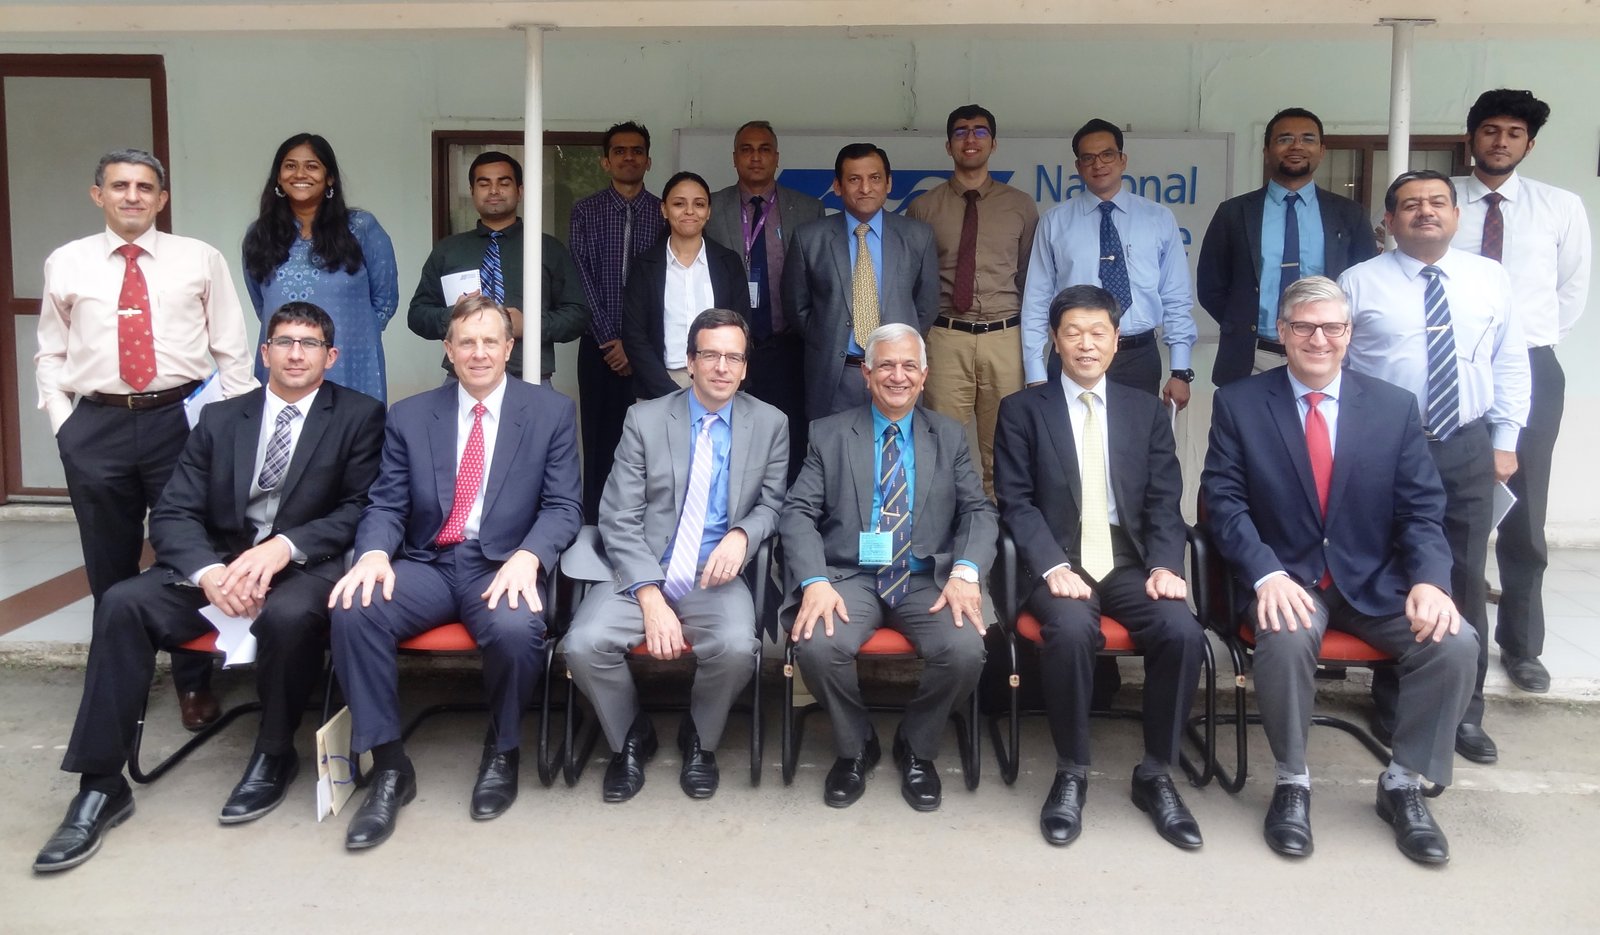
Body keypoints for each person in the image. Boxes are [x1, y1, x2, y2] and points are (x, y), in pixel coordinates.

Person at [32, 302, 384, 873]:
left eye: (310, 344)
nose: (296, 354)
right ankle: (100, 785)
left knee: (290, 616)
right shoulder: (220, 419)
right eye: (284, 342)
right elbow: (172, 512)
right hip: (220, 567)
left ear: (331, 356)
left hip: (303, 566)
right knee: (122, 603)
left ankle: (275, 752)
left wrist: (282, 547)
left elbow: (359, 507)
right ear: (263, 353)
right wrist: (208, 573)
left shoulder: (359, 416)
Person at [1201, 275, 1478, 865]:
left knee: (1455, 642)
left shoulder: (1393, 407)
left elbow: (1422, 509)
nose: (1318, 339)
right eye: (1304, 327)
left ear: (1350, 333)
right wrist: (1265, 574)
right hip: (1285, 578)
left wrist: (1431, 581)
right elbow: (1224, 503)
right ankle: (1292, 781)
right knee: (1286, 634)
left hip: (1373, 580)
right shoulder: (1240, 404)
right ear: (1282, 332)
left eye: (1332, 327)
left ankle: (1403, 783)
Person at [328, 295, 582, 850]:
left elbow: (564, 506)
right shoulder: (411, 415)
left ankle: (503, 748)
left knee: (517, 630)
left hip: (502, 565)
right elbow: (387, 504)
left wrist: (529, 556)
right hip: (429, 562)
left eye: (491, 341)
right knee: (355, 608)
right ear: (448, 349)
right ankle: (390, 765)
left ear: (510, 348)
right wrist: (373, 555)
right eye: (467, 342)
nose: (479, 352)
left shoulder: (550, 413)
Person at [36, 148, 257, 733]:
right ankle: (121, 686)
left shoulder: (199, 258)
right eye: (119, 186)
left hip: (180, 420)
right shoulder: (67, 262)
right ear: (98, 195)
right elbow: (50, 352)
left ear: (162, 198)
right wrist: (64, 425)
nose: (132, 196)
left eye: (144, 187)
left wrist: (235, 430)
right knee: (108, 561)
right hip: (97, 423)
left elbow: (232, 351)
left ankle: (193, 680)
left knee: (189, 550)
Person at [993, 284, 1209, 850]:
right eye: (1073, 333)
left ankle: (1156, 772)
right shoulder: (1022, 410)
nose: (1086, 345)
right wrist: (1049, 566)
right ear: (1055, 340)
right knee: (1069, 629)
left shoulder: (1146, 410)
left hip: (1128, 559)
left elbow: (1164, 500)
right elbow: (1015, 502)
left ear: (1116, 341)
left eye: (1098, 333)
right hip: (1058, 557)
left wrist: (1165, 565)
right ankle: (1072, 770)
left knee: (1182, 631)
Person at [1338, 170, 1530, 765]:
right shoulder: (1359, 282)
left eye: (1438, 202)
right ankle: (1395, 697)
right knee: (1392, 570)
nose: (1426, 211)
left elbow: (1510, 361)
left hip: (1466, 442)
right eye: (1411, 204)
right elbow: (1336, 366)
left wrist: (1505, 439)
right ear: (1389, 221)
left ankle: (1464, 710)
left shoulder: (1489, 278)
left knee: (1464, 573)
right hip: (1383, 448)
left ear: (1456, 214)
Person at [565, 309, 788, 801]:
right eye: (710, 355)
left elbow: (774, 504)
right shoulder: (645, 419)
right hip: (642, 567)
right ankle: (629, 736)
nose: (722, 367)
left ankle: (700, 738)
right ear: (690, 362)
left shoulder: (771, 423)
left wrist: (743, 535)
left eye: (733, 357)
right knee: (583, 645)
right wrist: (649, 596)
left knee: (737, 647)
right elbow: (618, 515)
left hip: (715, 574)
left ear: (745, 367)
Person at [779, 324, 995, 811]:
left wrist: (965, 572)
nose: (898, 376)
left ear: (924, 375)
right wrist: (814, 581)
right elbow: (797, 513)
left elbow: (978, 511)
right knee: (817, 646)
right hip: (850, 576)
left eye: (909, 366)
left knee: (965, 650)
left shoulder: (949, 435)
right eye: (887, 366)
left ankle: (917, 746)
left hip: (925, 578)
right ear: (866, 372)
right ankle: (856, 745)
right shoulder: (830, 433)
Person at [1450, 89, 1591, 694]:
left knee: (1524, 511)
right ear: (1471, 138)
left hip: (1531, 364)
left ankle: (1522, 644)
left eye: (1513, 133)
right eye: (1490, 130)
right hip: (1452, 368)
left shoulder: (1560, 206)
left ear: (1529, 145)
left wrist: (1525, 344)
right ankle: (1447, 636)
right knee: (1440, 505)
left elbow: (1571, 289)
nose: (1500, 141)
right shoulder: (1441, 199)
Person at [906, 104, 1039, 497]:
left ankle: (1000, 531)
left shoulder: (1020, 205)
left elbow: (1031, 277)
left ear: (993, 144)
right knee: (941, 444)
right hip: (946, 337)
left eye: (980, 131)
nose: (970, 139)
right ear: (948, 145)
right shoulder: (924, 207)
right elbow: (914, 280)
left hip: (1005, 338)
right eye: (961, 131)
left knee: (1004, 447)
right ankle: (946, 526)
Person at [1020, 119, 1197, 409]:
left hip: (1138, 356)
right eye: (1088, 158)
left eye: (1107, 155)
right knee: (1066, 437)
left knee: (1135, 437)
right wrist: (1035, 372)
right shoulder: (1055, 222)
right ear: (1078, 167)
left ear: (1122, 160)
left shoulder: (1158, 218)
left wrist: (1180, 370)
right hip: (1074, 354)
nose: (1098, 164)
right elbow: (1036, 300)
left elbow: (1176, 297)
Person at [1197, 107, 1379, 386]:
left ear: (1322, 151)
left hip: (1324, 354)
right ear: (1266, 151)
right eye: (1284, 139)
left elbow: (1364, 285)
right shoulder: (1234, 212)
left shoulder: (1348, 214)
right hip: (1253, 357)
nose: (1296, 146)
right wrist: (1242, 324)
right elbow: (1211, 286)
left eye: (1308, 139)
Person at [704, 120, 826, 480]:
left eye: (764, 149)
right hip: (728, 349)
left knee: (790, 439)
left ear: (776, 157)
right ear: (734, 158)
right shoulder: (711, 207)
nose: (755, 157)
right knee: (729, 438)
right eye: (746, 149)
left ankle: (788, 512)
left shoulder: (808, 209)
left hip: (787, 345)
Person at [782, 143, 939, 421]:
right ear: (838, 186)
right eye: (854, 179)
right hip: (837, 373)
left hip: (896, 374)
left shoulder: (917, 236)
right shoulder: (809, 238)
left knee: (894, 444)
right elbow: (797, 307)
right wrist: (827, 337)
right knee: (833, 446)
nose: (865, 188)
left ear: (889, 183)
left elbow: (926, 307)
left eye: (875, 178)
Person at [242, 133, 398, 403]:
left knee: (352, 427)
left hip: (351, 363)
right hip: (284, 364)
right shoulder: (260, 235)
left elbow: (385, 300)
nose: (300, 174)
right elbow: (261, 303)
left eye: (312, 166)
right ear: (278, 177)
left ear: (330, 178)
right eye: (290, 166)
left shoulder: (361, 228)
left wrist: (355, 335)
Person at [408, 150, 589, 382]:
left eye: (503, 183)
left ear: (520, 191)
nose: (494, 190)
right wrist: (453, 315)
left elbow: (578, 315)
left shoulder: (547, 248)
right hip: (463, 376)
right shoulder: (448, 250)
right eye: (484, 184)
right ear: (472, 192)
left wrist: (531, 326)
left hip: (530, 375)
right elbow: (417, 315)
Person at [570, 121, 668, 520]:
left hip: (649, 352)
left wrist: (634, 344)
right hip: (598, 348)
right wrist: (611, 339)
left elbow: (664, 286)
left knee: (649, 443)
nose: (629, 157)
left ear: (648, 160)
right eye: (620, 151)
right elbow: (580, 277)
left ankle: (644, 526)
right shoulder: (585, 211)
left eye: (637, 151)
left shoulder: (664, 212)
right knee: (598, 441)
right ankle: (594, 527)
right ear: (606, 162)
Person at [620, 171, 750, 398]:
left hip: (720, 380)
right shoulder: (645, 265)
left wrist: (724, 379)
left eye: (699, 204)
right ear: (664, 209)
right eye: (679, 203)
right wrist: (667, 390)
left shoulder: (729, 263)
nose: (689, 211)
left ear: (708, 212)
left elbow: (742, 328)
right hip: (659, 384)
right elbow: (634, 336)